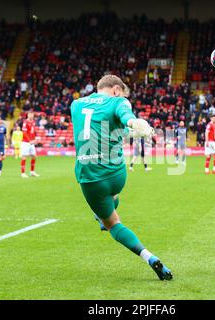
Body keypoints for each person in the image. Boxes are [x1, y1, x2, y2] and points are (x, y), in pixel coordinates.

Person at [70, 75, 172, 281]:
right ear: (116, 89)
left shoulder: (76, 104)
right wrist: (137, 125)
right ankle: (107, 209)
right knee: (113, 196)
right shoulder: (118, 101)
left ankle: (150, 258)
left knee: (113, 224)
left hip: (90, 178)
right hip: (117, 174)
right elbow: (126, 118)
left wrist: (132, 128)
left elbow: (101, 126)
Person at [20, 112, 39, 178]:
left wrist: (36, 138)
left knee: (34, 156)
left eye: (32, 115)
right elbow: (24, 132)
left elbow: (33, 131)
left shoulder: (33, 122)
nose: (31, 116)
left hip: (31, 142)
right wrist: (29, 140)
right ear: (28, 115)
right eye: (30, 114)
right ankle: (23, 173)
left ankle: (32, 172)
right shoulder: (25, 122)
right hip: (26, 142)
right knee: (24, 157)